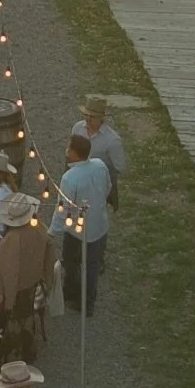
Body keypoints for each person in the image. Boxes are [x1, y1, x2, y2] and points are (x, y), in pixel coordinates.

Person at [0, 194, 57, 362]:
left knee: (10, 325)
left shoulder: (11, 240)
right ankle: (28, 352)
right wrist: (47, 283)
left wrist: (6, 299)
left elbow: (9, 273)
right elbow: (50, 258)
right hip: (35, 286)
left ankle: (8, 359)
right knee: (27, 321)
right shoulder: (40, 228)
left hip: (17, 291)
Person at [50, 134, 111, 315]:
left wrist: (52, 231)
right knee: (92, 265)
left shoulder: (70, 178)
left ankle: (74, 294)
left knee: (71, 261)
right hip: (99, 225)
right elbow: (108, 187)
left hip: (78, 229)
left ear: (75, 153)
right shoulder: (100, 166)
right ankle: (87, 302)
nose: (65, 151)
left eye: (68, 148)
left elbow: (62, 208)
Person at [74, 95, 128, 209]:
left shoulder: (112, 140)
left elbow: (120, 167)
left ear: (101, 118)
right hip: (76, 183)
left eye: (92, 116)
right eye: (85, 115)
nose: (87, 119)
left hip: (98, 188)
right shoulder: (78, 129)